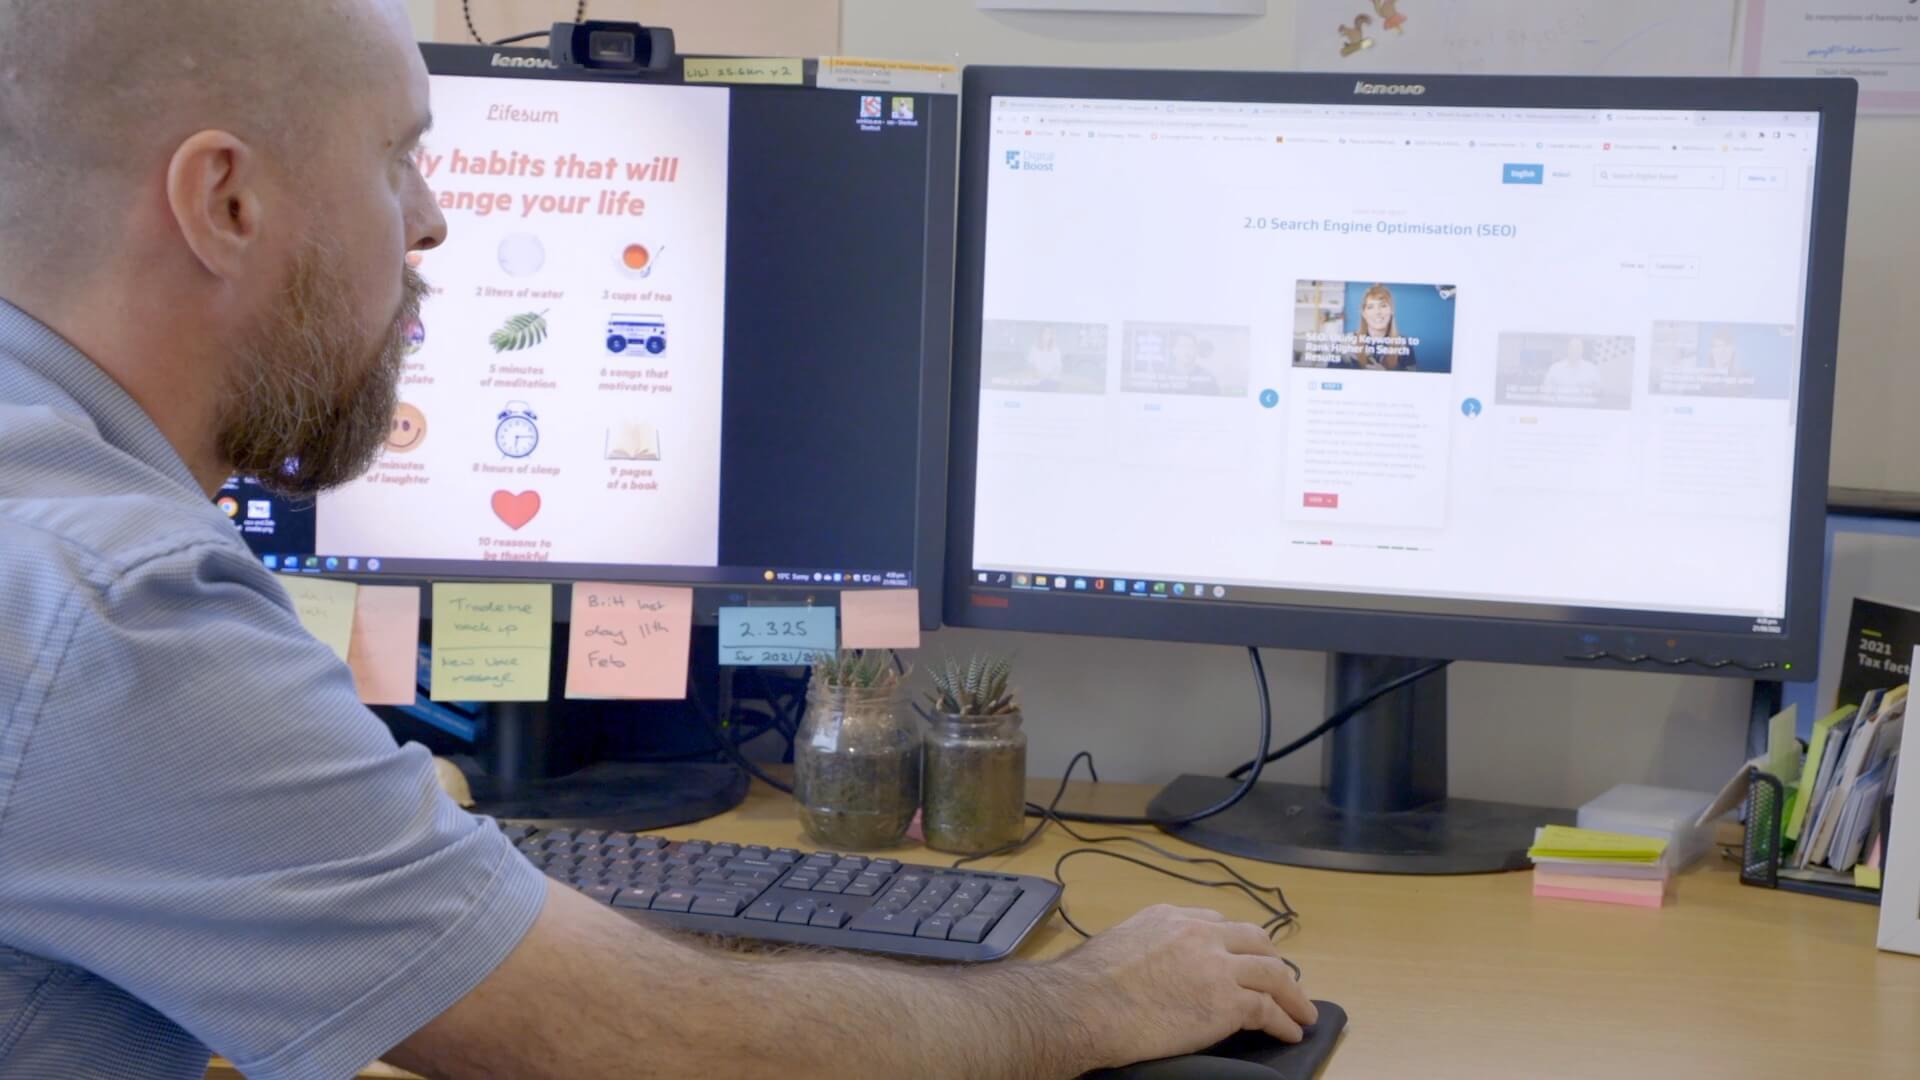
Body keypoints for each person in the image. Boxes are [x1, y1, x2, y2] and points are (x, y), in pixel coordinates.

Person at [0, 3, 1316, 1078]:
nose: (432, 221)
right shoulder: (117, 607)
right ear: (225, 200)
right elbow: (643, 1042)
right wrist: (1082, 1006)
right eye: (397, 156)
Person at [1348, 283, 1415, 370]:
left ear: (1392, 310)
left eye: (1383, 306)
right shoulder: (1347, 342)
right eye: (1370, 307)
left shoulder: (1405, 344)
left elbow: (1412, 382)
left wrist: (1385, 376)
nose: (1377, 312)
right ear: (1363, 313)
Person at [1539, 336, 1603, 402]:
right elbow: (1545, 391)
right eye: (1572, 347)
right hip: (1560, 407)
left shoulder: (1591, 369)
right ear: (1568, 349)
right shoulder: (1555, 368)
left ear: (1582, 350)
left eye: (1578, 347)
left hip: (1584, 408)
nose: (1575, 350)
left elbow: (1599, 392)